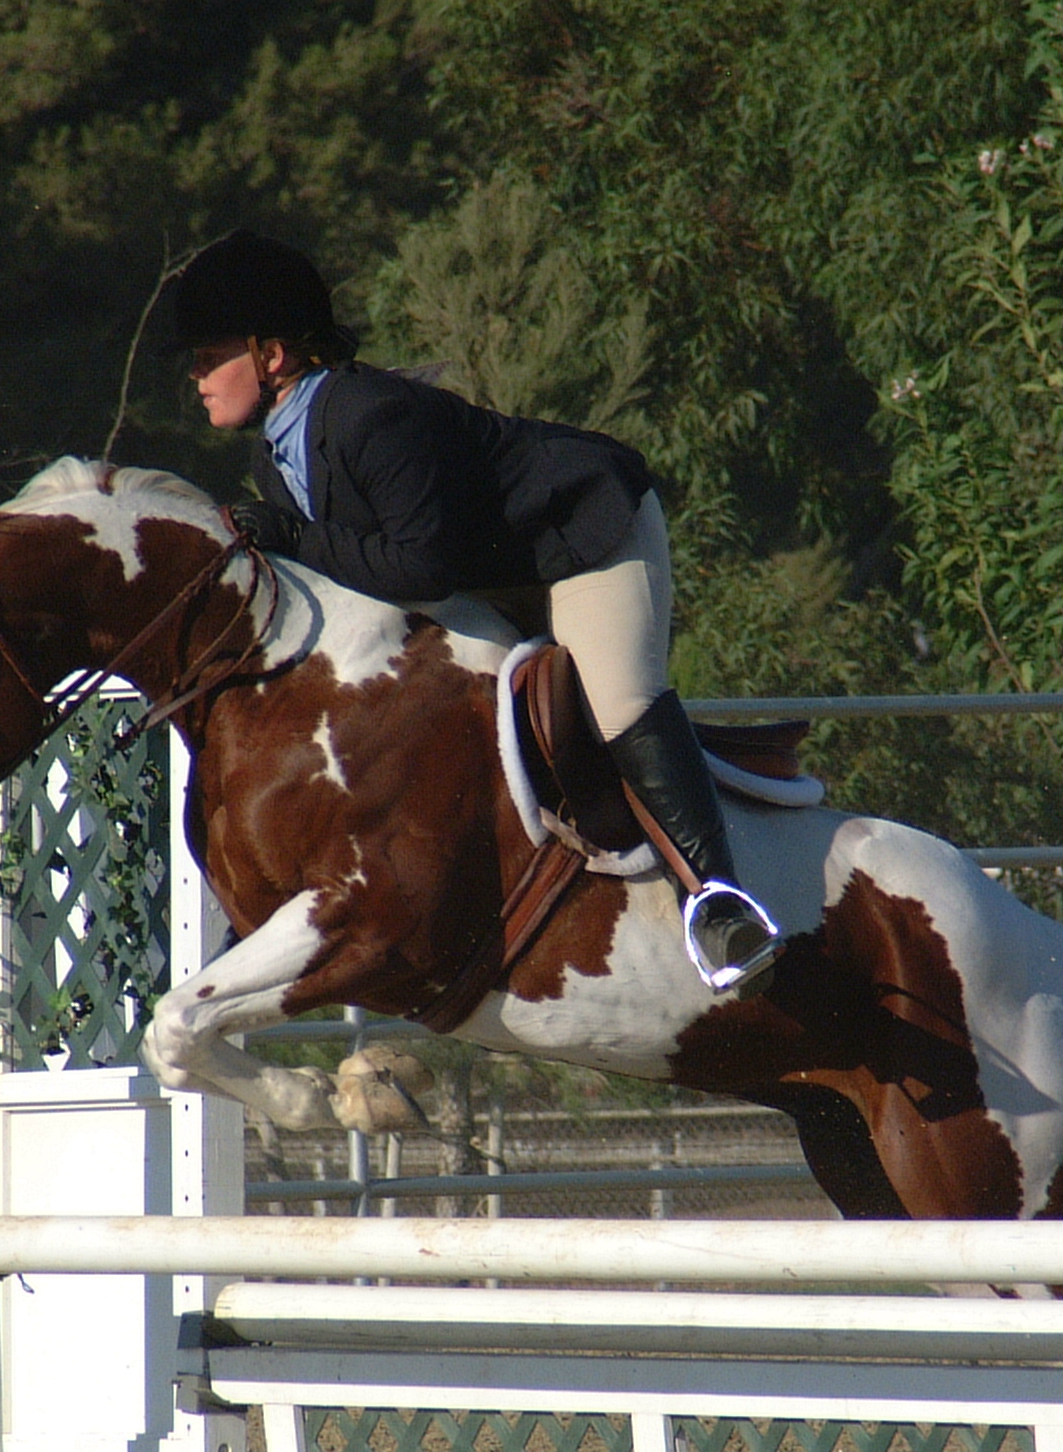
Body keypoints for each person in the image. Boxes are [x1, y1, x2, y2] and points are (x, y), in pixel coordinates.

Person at [166, 228, 785, 995]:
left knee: (619, 700)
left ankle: (721, 905)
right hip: (488, 567)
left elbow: (421, 567)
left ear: (273, 356)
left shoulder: (367, 414)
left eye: (207, 355)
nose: (195, 376)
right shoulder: (277, 456)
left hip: (583, 534)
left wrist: (294, 536)